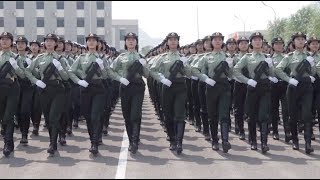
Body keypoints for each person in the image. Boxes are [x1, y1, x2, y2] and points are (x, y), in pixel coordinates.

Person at [69, 33, 122, 155]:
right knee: (88, 117)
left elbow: (107, 74)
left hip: (99, 88)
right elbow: (71, 71)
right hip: (86, 89)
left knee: (95, 116)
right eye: (89, 40)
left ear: (97, 43)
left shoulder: (102, 58)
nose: (91, 42)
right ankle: (93, 137)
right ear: (86, 43)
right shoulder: (82, 57)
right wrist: (79, 81)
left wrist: (103, 66)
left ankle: (94, 143)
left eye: (94, 40)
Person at [150, 32, 194, 155]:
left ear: (178, 42)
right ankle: (172, 140)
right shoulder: (162, 57)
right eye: (171, 39)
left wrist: (186, 65)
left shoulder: (183, 57)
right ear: (167, 43)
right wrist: (162, 79)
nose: (173, 41)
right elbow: (152, 70)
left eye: (175, 39)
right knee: (168, 115)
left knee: (180, 114)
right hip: (167, 87)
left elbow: (189, 74)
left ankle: (179, 142)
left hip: (180, 86)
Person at [234, 32, 278, 153]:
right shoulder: (247, 57)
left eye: (259, 40)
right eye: (255, 40)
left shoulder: (267, 57)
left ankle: (264, 143)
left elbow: (272, 75)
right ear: (251, 43)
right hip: (253, 87)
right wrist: (247, 81)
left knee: (264, 115)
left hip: (265, 87)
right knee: (252, 115)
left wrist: (271, 67)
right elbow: (235, 70)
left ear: (262, 42)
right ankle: (253, 140)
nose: (258, 42)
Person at [25, 33, 69, 155]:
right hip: (44, 89)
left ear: (56, 43)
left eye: (52, 40)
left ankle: (52, 144)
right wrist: (37, 81)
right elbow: (27, 71)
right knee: (49, 118)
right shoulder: (39, 58)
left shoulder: (61, 59)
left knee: (54, 117)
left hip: (58, 90)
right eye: (47, 40)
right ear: (44, 43)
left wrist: (60, 68)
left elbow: (65, 77)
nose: (49, 42)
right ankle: (53, 139)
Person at [275, 32, 316, 154]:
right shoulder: (289, 56)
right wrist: (289, 79)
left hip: (307, 87)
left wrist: (312, 65)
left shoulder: (309, 56)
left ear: (305, 42)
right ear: (293, 42)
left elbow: (313, 72)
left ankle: (308, 143)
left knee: (307, 114)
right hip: (293, 87)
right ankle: (295, 141)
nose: (300, 41)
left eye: (302, 39)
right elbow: (278, 69)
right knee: (292, 115)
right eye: (298, 39)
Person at [194, 32, 234, 152]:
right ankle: (215, 140)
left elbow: (231, 75)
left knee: (224, 115)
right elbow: (194, 69)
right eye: (215, 39)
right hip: (211, 87)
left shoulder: (227, 57)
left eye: (220, 39)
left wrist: (231, 67)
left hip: (224, 87)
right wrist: (206, 79)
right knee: (212, 115)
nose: (217, 41)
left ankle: (225, 141)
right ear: (211, 42)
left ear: (222, 42)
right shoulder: (206, 57)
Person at [112, 32, 149, 154]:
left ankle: (134, 141)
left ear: (136, 42)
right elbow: (111, 71)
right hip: (125, 87)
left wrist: (144, 66)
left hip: (137, 87)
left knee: (135, 114)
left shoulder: (141, 57)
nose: (131, 41)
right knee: (127, 115)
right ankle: (131, 138)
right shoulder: (121, 57)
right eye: (128, 39)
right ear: (126, 42)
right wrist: (119, 78)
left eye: (133, 39)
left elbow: (147, 75)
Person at [0, 32, 25, 157]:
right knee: (2, 116)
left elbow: (22, 75)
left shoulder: (16, 57)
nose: (4, 41)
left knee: (8, 116)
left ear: (11, 42)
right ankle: (8, 140)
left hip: (12, 89)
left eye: (7, 39)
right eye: (2, 39)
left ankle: (8, 144)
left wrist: (15, 66)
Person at [270, 37, 290, 142]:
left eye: (281, 44)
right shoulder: (268, 58)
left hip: (285, 85)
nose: (279, 45)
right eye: (276, 44)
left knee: (286, 109)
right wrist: (270, 77)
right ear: (272, 46)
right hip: (273, 86)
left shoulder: (287, 57)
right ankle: (275, 131)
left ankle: (287, 132)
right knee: (274, 109)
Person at [15, 36, 33, 145]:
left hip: (27, 87)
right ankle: (22, 131)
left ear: (26, 45)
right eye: (18, 43)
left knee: (24, 111)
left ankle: (24, 135)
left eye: (23, 43)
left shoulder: (30, 59)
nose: (20, 45)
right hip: (14, 88)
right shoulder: (12, 58)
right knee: (17, 111)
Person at [233, 36, 249, 140]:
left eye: (245, 43)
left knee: (249, 108)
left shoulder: (251, 56)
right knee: (239, 108)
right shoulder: (234, 57)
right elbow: (231, 71)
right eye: (241, 43)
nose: (243, 45)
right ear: (238, 45)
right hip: (239, 84)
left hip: (250, 84)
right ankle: (241, 129)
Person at [29, 40, 42, 136]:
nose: (34, 47)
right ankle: (34, 123)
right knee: (29, 106)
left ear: (39, 48)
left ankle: (36, 125)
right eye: (32, 46)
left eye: (35, 46)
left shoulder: (41, 58)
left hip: (38, 85)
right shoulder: (27, 58)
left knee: (37, 106)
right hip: (28, 86)